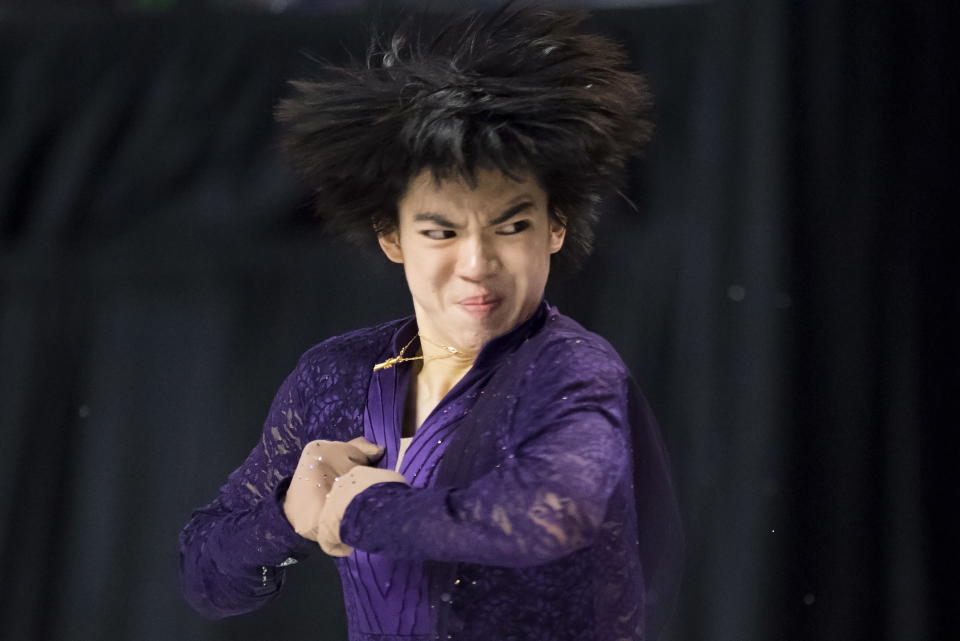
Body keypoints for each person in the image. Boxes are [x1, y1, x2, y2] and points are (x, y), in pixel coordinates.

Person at [178, 3, 683, 640]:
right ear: (392, 236)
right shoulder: (339, 377)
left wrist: (364, 509)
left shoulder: (569, 368)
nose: (477, 264)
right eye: (442, 231)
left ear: (556, 226)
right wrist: (285, 516)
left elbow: (548, 517)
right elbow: (204, 576)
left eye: (511, 225)